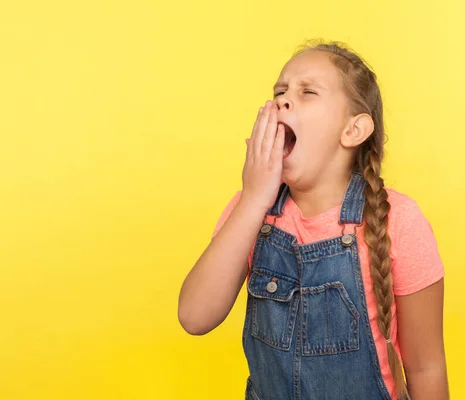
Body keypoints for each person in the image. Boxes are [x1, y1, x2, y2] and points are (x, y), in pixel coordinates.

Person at [178, 40, 449, 400]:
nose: (283, 100)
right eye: (280, 91)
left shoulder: (397, 220)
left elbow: (425, 367)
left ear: (353, 131)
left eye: (307, 92)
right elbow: (195, 317)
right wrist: (254, 196)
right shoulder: (251, 211)